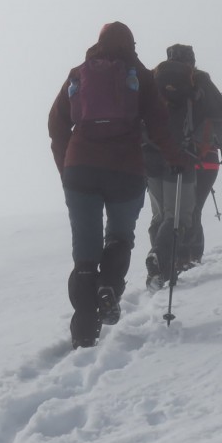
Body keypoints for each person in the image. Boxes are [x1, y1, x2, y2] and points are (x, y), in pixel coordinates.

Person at [48, 22, 187, 349]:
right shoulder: (139, 76)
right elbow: (158, 125)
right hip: (125, 170)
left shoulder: (78, 74)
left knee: (84, 254)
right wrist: (175, 157)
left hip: (80, 170)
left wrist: (66, 169)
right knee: (120, 236)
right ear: (131, 44)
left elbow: (56, 126)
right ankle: (109, 286)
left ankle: (84, 330)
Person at [163, 44, 222, 268]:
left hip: (170, 160)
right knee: (194, 209)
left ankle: (172, 259)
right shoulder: (203, 83)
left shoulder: (161, 85)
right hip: (206, 158)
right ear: (193, 61)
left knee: (174, 212)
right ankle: (190, 257)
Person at [142, 52, 222, 291]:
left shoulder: (152, 80)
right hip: (185, 157)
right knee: (180, 215)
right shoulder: (197, 83)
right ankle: (165, 257)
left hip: (150, 156)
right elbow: (220, 115)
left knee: (160, 216)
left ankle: (162, 270)